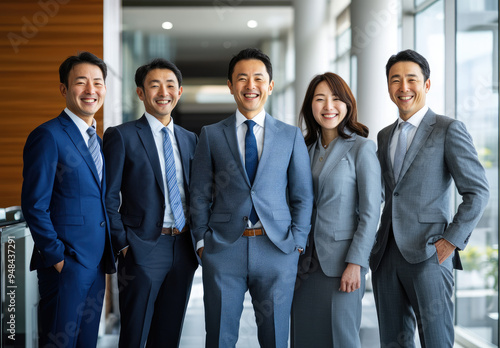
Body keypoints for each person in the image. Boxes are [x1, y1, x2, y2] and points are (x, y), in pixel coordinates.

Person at [189, 48, 313, 348]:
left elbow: (302, 195)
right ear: (230, 86)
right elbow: (199, 193)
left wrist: (297, 242)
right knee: (219, 338)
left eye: (258, 78)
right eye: (242, 78)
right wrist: (203, 242)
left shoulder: (290, 135)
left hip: (277, 249)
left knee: (275, 338)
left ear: (270, 85)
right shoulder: (211, 134)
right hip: (223, 249)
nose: (250, 85)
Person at [370, 49, 490, 347]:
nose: (403, 87)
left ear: (427, 84)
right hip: (386, 254)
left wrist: (449, 242)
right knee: (392, 342)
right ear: (388, 87)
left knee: (436, 341)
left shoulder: (448, 129)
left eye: (411, 79)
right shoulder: (384, 135)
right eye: (395, 80)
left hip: (429, 254)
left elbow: (477, 191)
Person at [21, 51, 115, 347]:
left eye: (98, 83)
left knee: (86, 343)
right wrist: (59, 259)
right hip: (67, 266)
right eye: (81, 82)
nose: (91, 90)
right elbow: (34, 204)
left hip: (97, 266)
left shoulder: (98, 143)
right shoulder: (48, 136)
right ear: (64, 88)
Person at [103, 58, 198, 348]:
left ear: (179, 92)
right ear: (140, 93)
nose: (163, 92)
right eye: (154, 85)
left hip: (183, 248)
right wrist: (124, 244)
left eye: (170, 85)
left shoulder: (191, 139)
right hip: (142, 248)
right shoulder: (122, 136)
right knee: (135, 335)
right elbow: (108, 196)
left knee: (169, 335)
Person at [290, 72, 381, 348]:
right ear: (310, 106)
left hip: (341, 265)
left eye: (336, 98)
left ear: (347, 104)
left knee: (342, 339)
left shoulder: (362, 149)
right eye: (320, 99)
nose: (328, 106)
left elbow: (370, 212)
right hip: (302, 265)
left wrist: (356, 263)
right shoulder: (303, 148)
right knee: (304, 338)